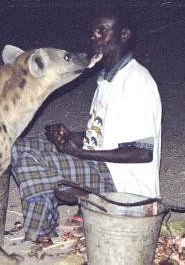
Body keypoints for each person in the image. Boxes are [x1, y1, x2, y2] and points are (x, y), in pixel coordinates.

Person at [11, 12, 162, 242]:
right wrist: (68, 136)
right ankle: (85, 201)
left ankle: (44, 228)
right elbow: (104, 136)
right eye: (93, 31)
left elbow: (142, 152)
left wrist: (80, 152)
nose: (94, 36)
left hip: (125, 186)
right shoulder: (108, 79)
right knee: (19, 148)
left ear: (124, 35)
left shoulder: (136, 81)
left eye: (102, 31)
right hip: (105, 168)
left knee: (34, 162)